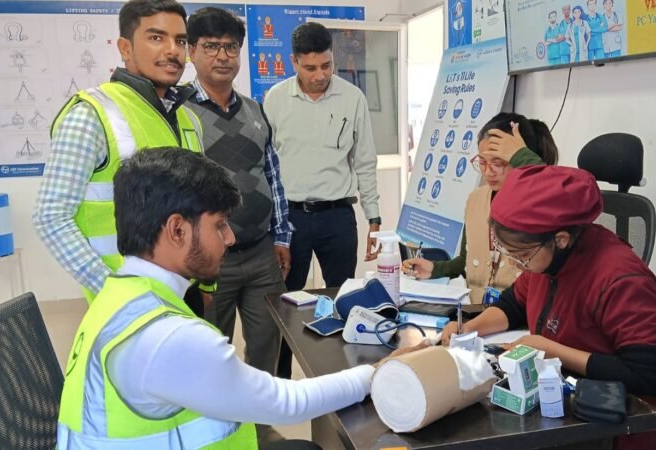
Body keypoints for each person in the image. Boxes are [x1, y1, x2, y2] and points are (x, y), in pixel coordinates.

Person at [56, 148, 428, 450]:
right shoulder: (168, 338)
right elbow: (287, 402)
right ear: (177, 230)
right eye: (219, 224)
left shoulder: (118, 295)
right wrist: (377, 372)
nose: (230, 238)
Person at [440, 165, 656, 450]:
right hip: (569, 410)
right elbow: (514, 304)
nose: (517, 264)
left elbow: (653, 377)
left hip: (622, 431)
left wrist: (549, 349)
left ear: (561, 239)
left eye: (521, 255)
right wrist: (470, 328)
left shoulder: (621, 279)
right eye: (508, 253)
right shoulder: (545, 260)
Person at [32, 0, 212, 313]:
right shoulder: (91, 115)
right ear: (125, 48)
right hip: (129, 300)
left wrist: (206, 282)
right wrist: (112, 289)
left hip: (184, 289)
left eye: (180, 41)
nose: (173, 50)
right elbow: (50, 216)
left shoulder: (188, 119)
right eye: (156, 37)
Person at [264, 22, 381, 378]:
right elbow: (267, 167)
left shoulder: (352, 98)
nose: (320, 75)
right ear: (294, 62)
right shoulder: (275, 99)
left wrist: (374, 218)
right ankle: (282, 380)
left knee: (342, 300)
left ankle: (339, 376)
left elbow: (365, 161)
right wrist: (274, 226)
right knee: (286, 301)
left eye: (326, 65)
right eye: (310, 67)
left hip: (337, 217)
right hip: (291, 220)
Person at [184, 7, 290, 383]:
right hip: (210, 259)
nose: (223, 56)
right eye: (211, 46)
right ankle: (218, 419)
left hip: (261, 254)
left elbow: (272, 176)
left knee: (267, 346)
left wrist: (281, 236)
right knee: (211, 352)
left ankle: (260, 416)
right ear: (191, 51)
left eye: (231, 47)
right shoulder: (179, 112)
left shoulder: (255, 110)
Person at [401, 113, 558, 304]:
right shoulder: (476, 199)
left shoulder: (542, 204)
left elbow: (553, 186)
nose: (488, 172)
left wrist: (524, 157)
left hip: (519, 312)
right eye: (482, 162)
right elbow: (467, 260)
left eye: (498, 163)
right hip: (475, 309)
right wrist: (435, 269)